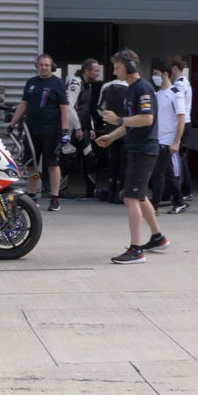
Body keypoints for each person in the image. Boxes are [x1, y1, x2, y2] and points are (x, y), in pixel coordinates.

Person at [96, 49, 168, 264]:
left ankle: (136, 250)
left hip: (145, 150)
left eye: (117, 67)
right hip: (137, 148)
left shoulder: (142, 89)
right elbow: (131, 123)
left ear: (130, 67)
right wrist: (111, 136)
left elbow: (146, 119)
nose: (114, 71)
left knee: (130, 197)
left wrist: (118, 120)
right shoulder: (130, 90)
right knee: (140, 195)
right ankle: (158, 237)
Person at [7, 54, 71, 212]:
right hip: (31, 130)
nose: (44, 67)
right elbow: (23, 104)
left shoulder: (58, 84)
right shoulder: (31, 83)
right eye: (41, 65)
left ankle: (54, 198)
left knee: (52, 165)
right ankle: (32, 197)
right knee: (31, 165)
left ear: (51, 67)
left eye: (47, 65)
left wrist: (64, 130)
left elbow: (64, 108)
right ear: (37, 66)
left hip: (51, 130)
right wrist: (12, 123)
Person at [149, 60, 188, 215]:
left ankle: (154, 206)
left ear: (165, 74)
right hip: (157, 139)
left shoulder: (176, 94)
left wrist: (176, 142)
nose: (154, 77)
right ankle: (179, 201)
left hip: (167, 141)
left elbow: (181, 119)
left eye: (156, 74)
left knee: (158, 174)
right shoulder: (156, 94)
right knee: (168, 174)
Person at [62, 58, 102, 199]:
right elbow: (69, 106)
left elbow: (87, 108)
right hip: (73, 129)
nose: (98, 73)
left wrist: (91, 127)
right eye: (96, 70)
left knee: (91, 159)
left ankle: (91, 191)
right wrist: (77, 127)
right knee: (68, 159)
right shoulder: (75, 82)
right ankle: (62, 190)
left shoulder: (89, 86)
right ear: (87, 70)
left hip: (84, 129)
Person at [95, 75, 128, 204]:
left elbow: (99, 107)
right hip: (126, 127)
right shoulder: (131, 86)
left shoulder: (106, 86)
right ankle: (120, 193)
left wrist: (107, 118)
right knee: (124, 162)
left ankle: (111, 191)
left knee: (113, 161)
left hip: (110, 127)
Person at [169, 56, 194, 200]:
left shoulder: (179, 86)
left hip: (182, 123)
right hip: (185, 122)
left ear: (174, 68)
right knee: (181, 158)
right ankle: (186, 189)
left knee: (179, 158)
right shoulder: (186, 82)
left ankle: (185, 189)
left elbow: (177, 108)